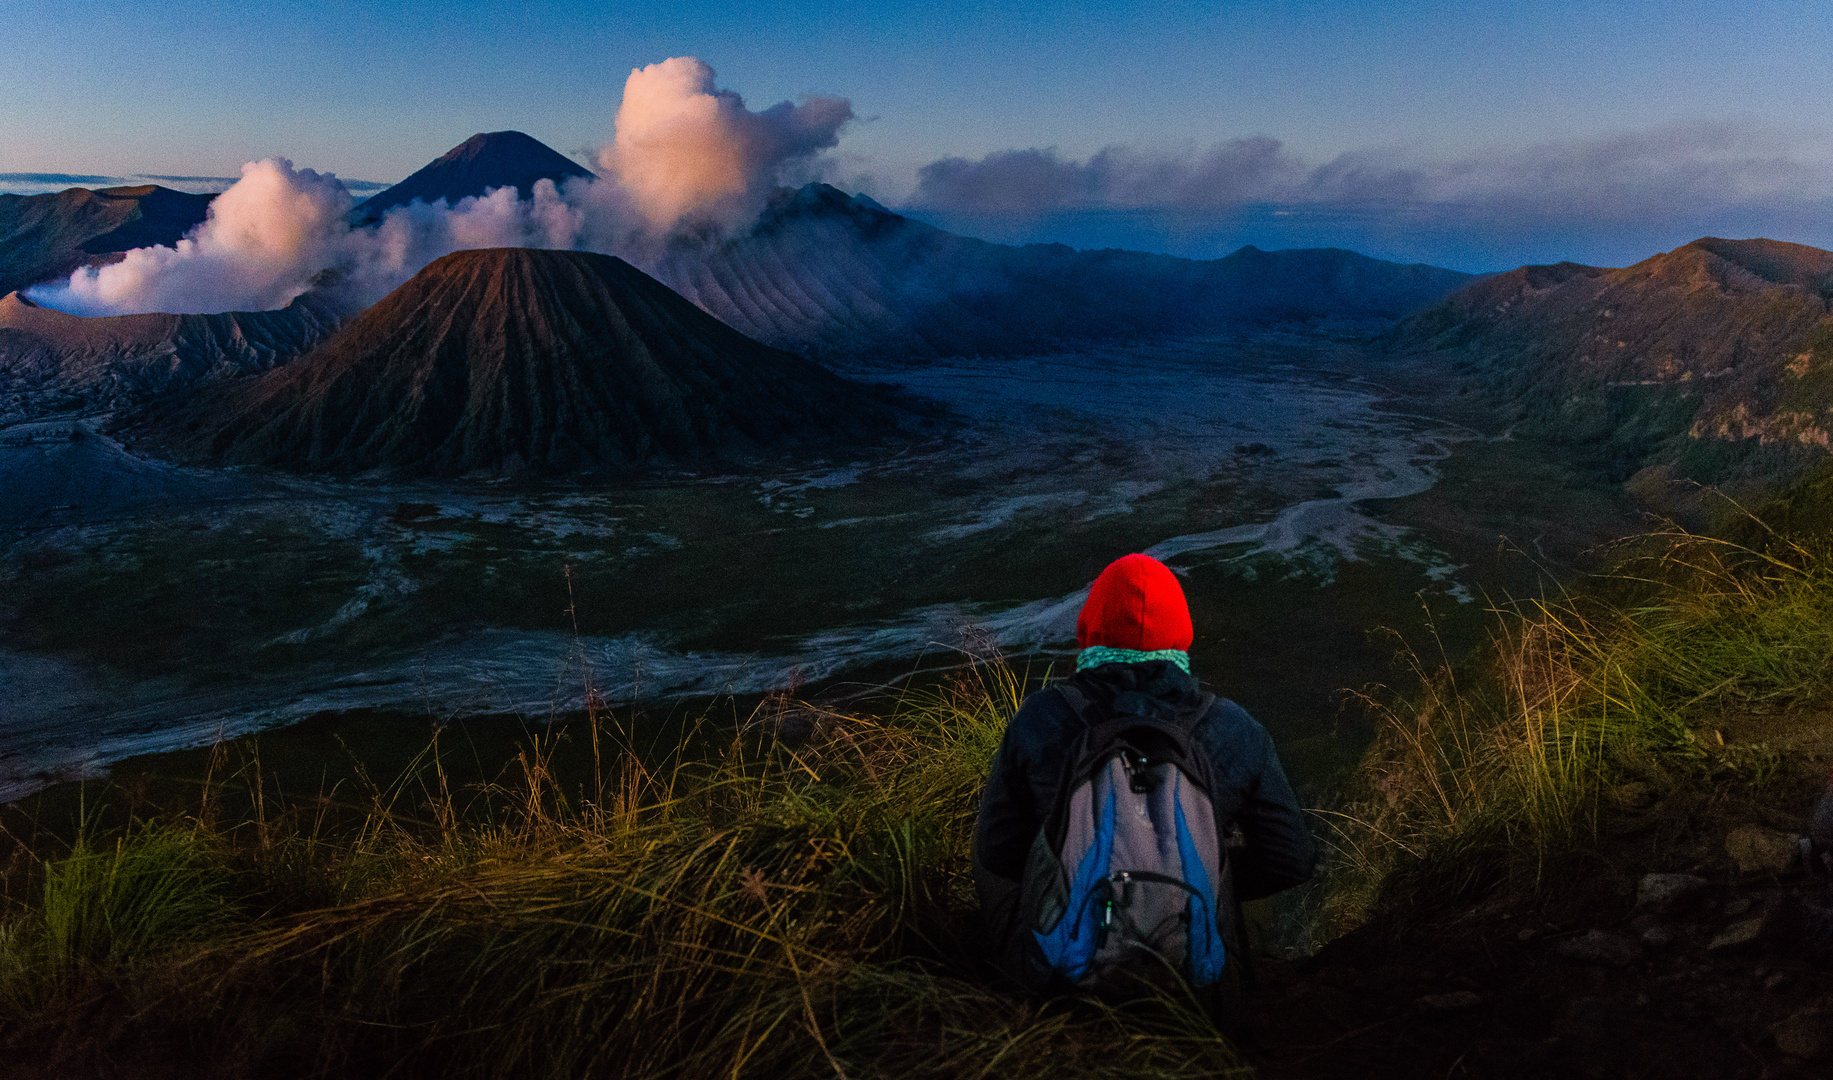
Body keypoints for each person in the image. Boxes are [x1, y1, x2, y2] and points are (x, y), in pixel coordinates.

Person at [972, 552, 1316, 994]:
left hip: (1063, 986)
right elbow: (1292, 860)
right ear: (1181, 635)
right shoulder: (1236, 728)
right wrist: (1198, 882)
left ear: (1090, 628)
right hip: (1197, 990)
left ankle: (1016, 977)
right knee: (1216, 864)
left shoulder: (1040, 718)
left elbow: (998, 852)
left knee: (987, 853)